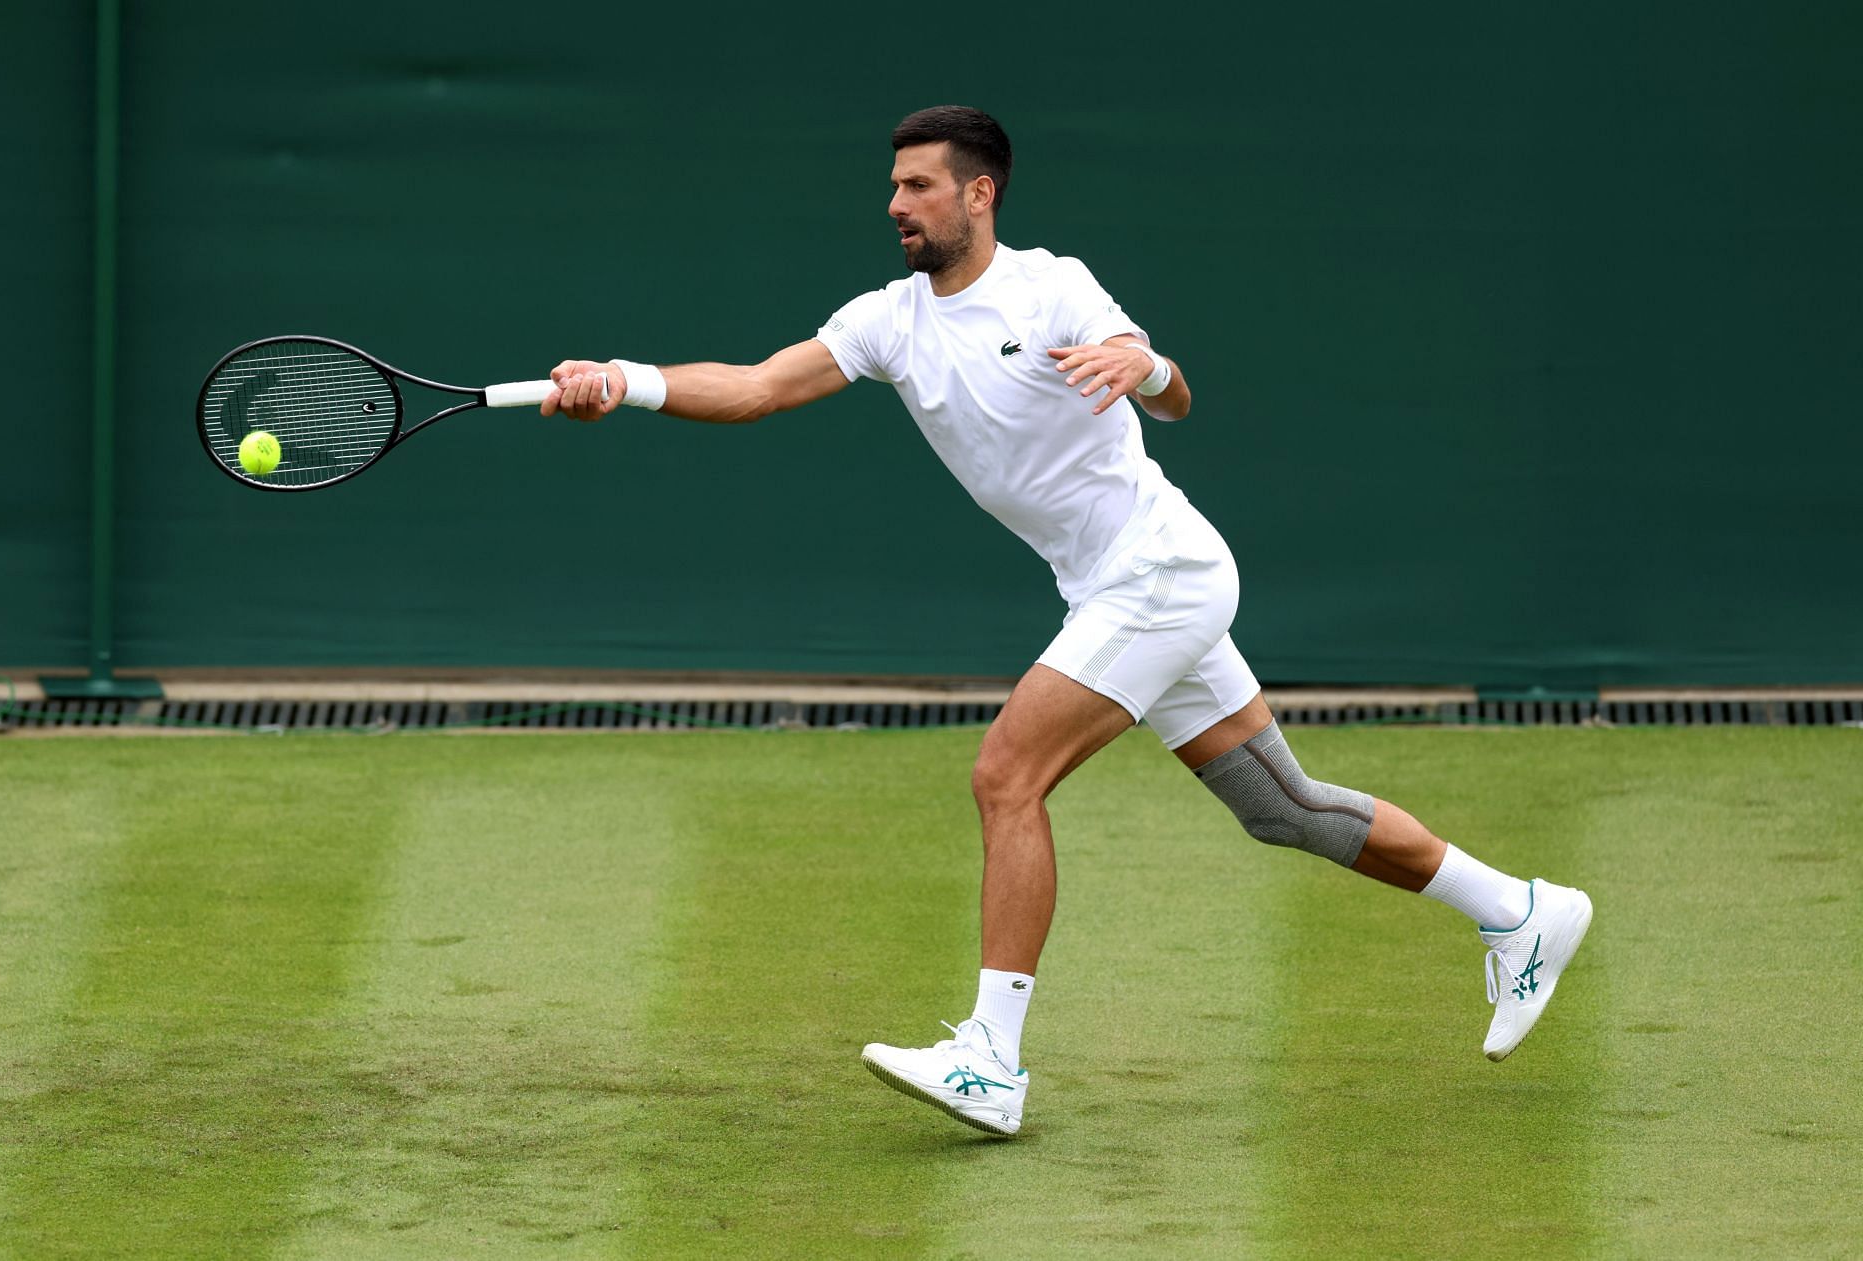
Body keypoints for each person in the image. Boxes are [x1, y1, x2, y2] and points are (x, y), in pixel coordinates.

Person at [540, 105, 1593, 1138]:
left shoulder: (1051, 288)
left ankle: (991, 1060)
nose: (895, 202)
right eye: (894, 184)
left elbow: (1165, 388)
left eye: (918, 185)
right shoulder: (888, 319)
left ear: (979, 193)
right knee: (1285, 807)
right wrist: (622, 381)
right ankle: (1518, 909)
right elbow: (759, 386)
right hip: (1111, 588)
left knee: (1007, 775)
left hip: (1160, 573)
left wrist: (1151, 368)